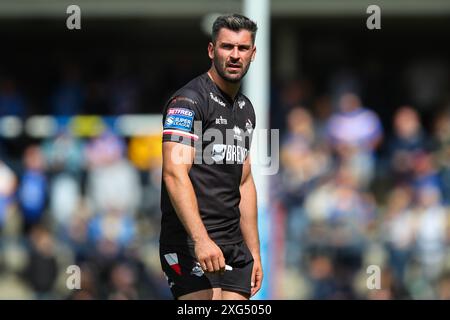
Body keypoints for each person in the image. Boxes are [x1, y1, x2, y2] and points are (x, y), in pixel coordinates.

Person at [159, 13, 262, 300]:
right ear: (211, 50)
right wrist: (201, 240)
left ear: (253, 54)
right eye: (227, 47)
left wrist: (254, 251)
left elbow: (244, 181)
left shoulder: (246, 109)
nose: (234, 55)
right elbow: (173, 173)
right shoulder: (188, 102)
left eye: (242, 49)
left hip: (233, 245)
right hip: (190, 243)